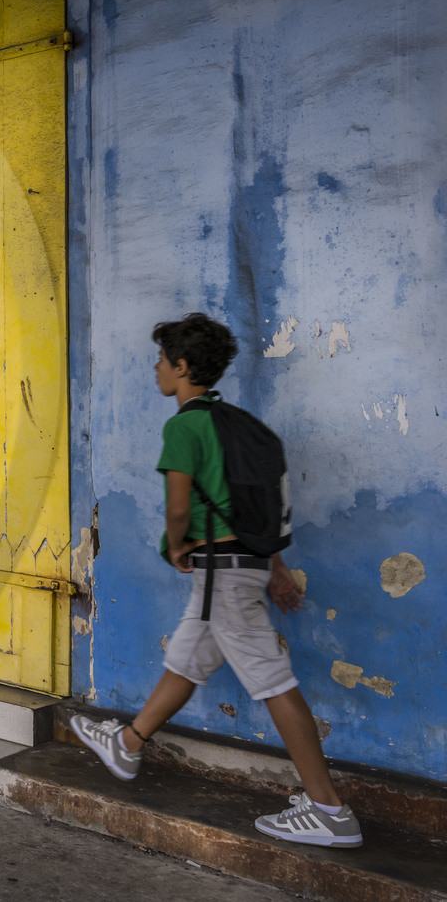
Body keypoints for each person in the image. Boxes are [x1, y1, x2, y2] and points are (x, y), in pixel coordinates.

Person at [70, 313, 361, 849]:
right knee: (189, 658)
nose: (156, 367)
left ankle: (329, 811)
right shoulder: (238, 425)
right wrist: (273, 567)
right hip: (242, 565)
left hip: (221, 572)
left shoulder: (185, 425)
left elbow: (179, 506)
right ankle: (129, 744)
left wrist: (176, 544)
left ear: (182, 368)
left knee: (272, 679)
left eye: (162, 360)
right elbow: (260, 507)